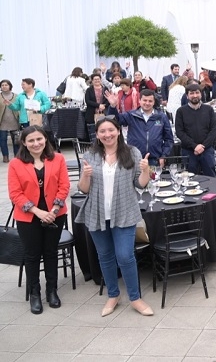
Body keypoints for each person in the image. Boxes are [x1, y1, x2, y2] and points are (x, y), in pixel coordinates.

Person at [75, 117, 154, 316]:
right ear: (98, 135)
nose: (107, 134)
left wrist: (146, 170)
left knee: (126, 256)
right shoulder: (90, 155)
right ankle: (113, 295)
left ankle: (135, 298)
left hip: (125, 211)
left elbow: (141, 184)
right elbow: (83, 189)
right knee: (105, 256)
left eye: (111, 130)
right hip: (97, 212)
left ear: (118, 131)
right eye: (103, 131)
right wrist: (85, 175)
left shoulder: (132, 153)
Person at [8, 126, 70, 314]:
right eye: (31, 141)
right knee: (32, 255)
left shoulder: (58, 159)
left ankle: (52, 291)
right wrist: (37, 212)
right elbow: (15, 194)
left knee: (50, 252)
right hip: (28, 217)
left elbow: (64, 185)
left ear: (45, 139)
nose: (36, 144)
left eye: (39, 139)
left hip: (55, 214)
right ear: (24, 143)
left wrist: (54, 209)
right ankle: (35, 293)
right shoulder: (15, 164)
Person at [106, 89, 174, 167]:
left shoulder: (161, 117)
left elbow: (169, 139)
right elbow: (114, 121)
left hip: (154, 160)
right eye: (144, 100)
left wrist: (163, 155)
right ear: (139, 101)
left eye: (150, 101)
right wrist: (112, 106)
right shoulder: (131, 115)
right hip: (134, 158)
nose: (147, 103)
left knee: (153, 179)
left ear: (154, 102)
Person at [175, 84, 216, 177]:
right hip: (189, 151)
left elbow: (213, 130)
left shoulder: (209, 110)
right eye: (192, 93)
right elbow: (180, 132)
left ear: (201, 94)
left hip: (207, 150)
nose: (195, 95)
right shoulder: (181, 111)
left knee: (211, 178)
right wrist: (194, 146)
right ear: (187, 96)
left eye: (197, 93)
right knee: (190, 179)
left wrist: (203, 146)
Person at [1, 79, 20, 160]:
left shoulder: (16, 96)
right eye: (2, 85)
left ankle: (17, 156)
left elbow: (19, 107)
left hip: (14, 120)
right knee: (2, 140)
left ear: (10, 86)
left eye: (6, 85)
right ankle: (5, 156)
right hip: (2, 122)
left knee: (16, 140)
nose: (4, 86)